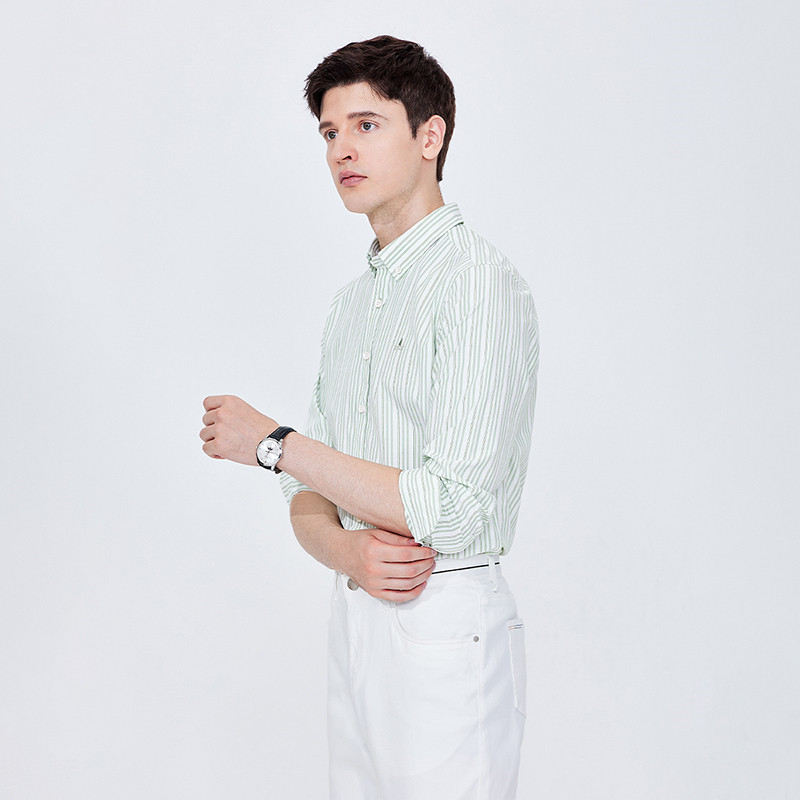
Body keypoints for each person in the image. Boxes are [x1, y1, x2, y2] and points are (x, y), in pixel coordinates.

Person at [199, 35, 539, 799]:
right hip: (355, 617)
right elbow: (307, 492)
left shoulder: (478, 284)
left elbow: (452, 507)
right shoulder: (353, 304)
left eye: (366, 125)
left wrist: (274, 442)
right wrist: (344, 552)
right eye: (329, 132)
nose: (340, 150)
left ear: (429, 135)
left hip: (445, 615)